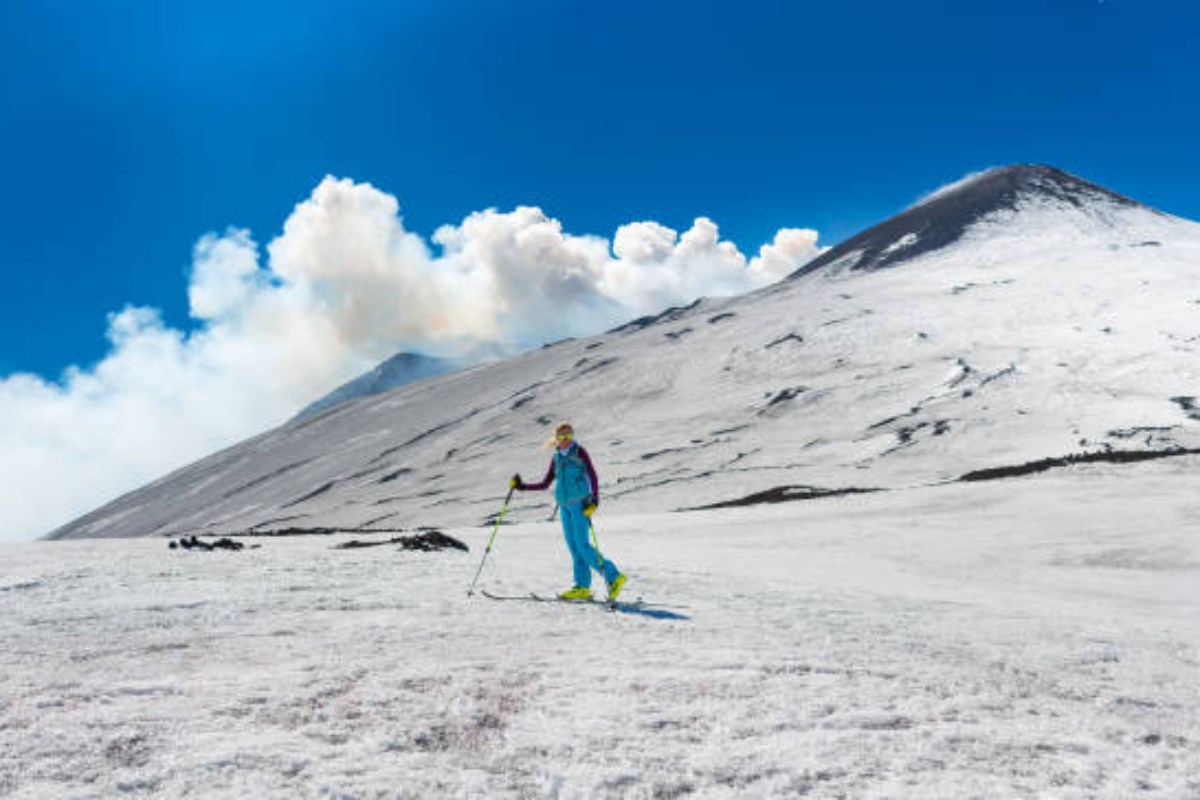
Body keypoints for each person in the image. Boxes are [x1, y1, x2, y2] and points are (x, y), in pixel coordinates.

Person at [511, 423, 627, 601]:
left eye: (569, 436)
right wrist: (522, 486)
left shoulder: (579, 452)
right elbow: (545, 484)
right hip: (564, 507)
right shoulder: (556, 457)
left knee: (583, 545)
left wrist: (595, 500)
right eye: (562, 437)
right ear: (556, 438)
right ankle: (582, 587)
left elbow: (593, 475)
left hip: (580, 504)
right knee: (574, 548)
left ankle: (614, 577)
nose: (565, 440)